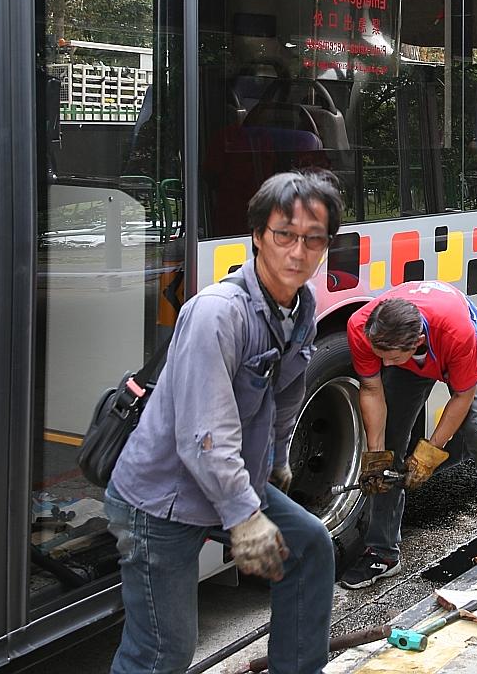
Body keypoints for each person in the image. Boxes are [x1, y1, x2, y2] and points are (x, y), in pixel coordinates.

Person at [105, 170, 342, 674]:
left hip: (227, 480)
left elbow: (284, 396)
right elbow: (205, 436)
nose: (297, 253)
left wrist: (278, 460)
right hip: (161, 500)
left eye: (313, 240)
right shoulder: (218, 313)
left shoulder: (300, 308)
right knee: (162, 651)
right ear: (257, 236)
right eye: (284, 235)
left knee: (309, 547)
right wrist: (244, 515)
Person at [340, 280, 477, 589]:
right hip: (413, 347)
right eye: (381, 356)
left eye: (390, 357)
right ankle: (383, 553)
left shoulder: (457, 335)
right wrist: (377, 457)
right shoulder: (362, 327)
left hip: (456, 347)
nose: (385, 364)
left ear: (418, 340)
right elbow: (371, 388)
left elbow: (461, 397)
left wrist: (428, 456)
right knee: (390, 440)